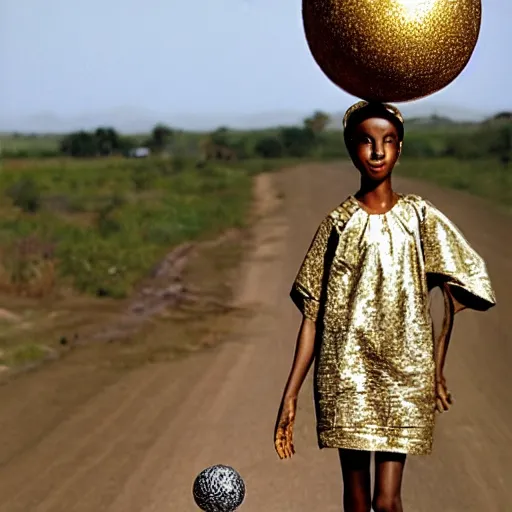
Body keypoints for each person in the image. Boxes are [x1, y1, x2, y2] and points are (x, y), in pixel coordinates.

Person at [273, 101, 496, 512]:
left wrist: (436, 366)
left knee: (388, 501)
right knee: (357, 502)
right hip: (346, 374)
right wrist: (291, 395)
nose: (377, 152)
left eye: (388, 141)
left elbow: (461, 284)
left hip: (404, 374)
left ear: (400, 148)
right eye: (366, 142)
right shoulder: (337, 223)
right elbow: (312, 315)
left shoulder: (420, 218)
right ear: (350, 148)